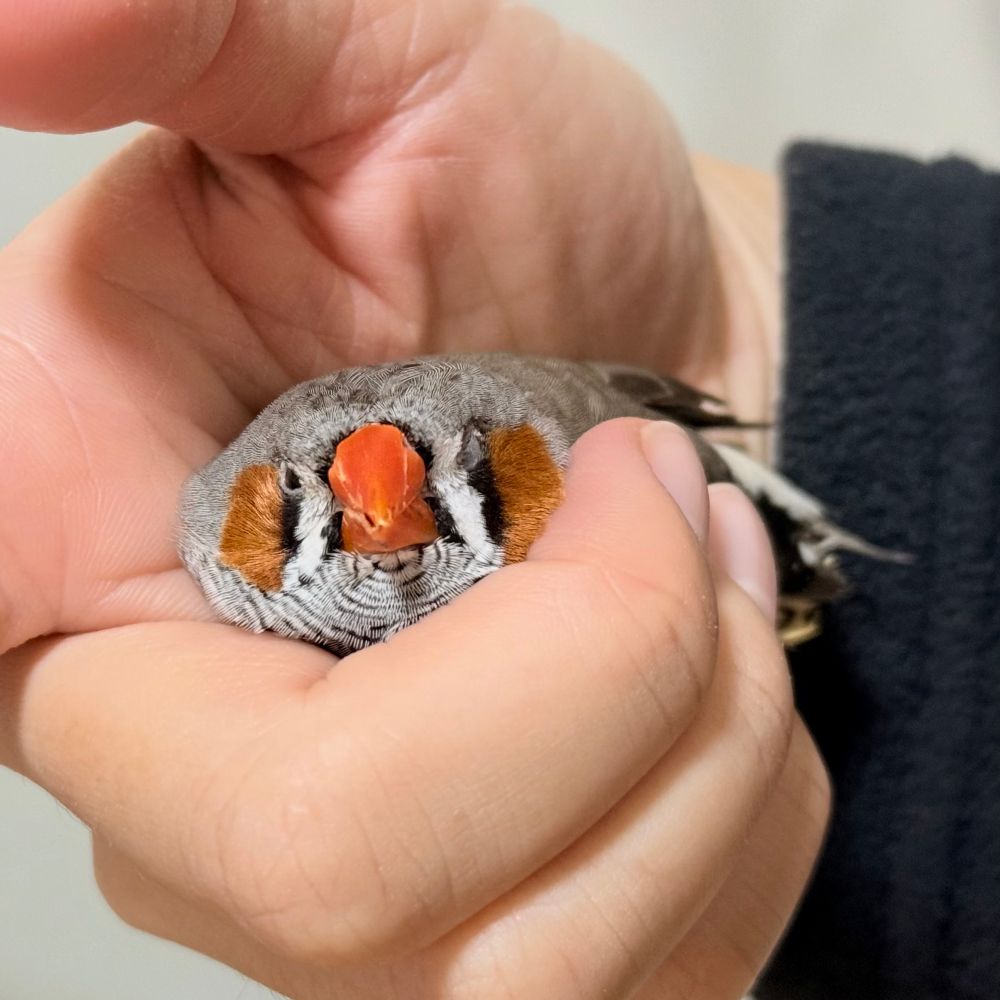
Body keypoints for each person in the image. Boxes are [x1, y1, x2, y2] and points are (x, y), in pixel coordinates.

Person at [0, 2, 995, 999]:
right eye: (348, 504)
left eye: (416, 490)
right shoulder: (224, 525)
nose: (388, 529)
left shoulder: (531, 457)